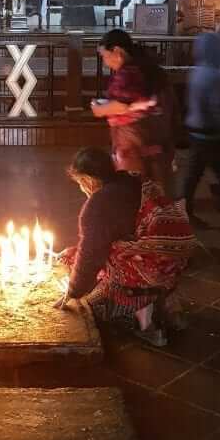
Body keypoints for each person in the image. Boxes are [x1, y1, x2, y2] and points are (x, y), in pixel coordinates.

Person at [55, 148, 195, 346]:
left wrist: (73, 292)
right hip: (174, 262)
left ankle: (144, 319)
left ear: (88, 180)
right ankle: (167, 304)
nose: (81, 189)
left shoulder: (99, 204)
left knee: (94, 306)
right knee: (83, 256)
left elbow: (91, 255)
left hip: (149, 268)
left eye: (79, 183)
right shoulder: (132, 180)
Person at [91, 29, 178, 194]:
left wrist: (99, 109)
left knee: (136, 190)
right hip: (157, 141)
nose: (105, 62)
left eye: (104, 56)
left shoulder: (129, 73)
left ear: (117, 51)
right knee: (159, 191)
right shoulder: (148, 69)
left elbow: (123, 105)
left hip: (135, 144)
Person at [183, 31, 220, 228]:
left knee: (193, 174)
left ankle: (184, 211)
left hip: (195, 129)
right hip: (211, 132)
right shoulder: (215, 75)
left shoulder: (196, 71)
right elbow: (217, 105)